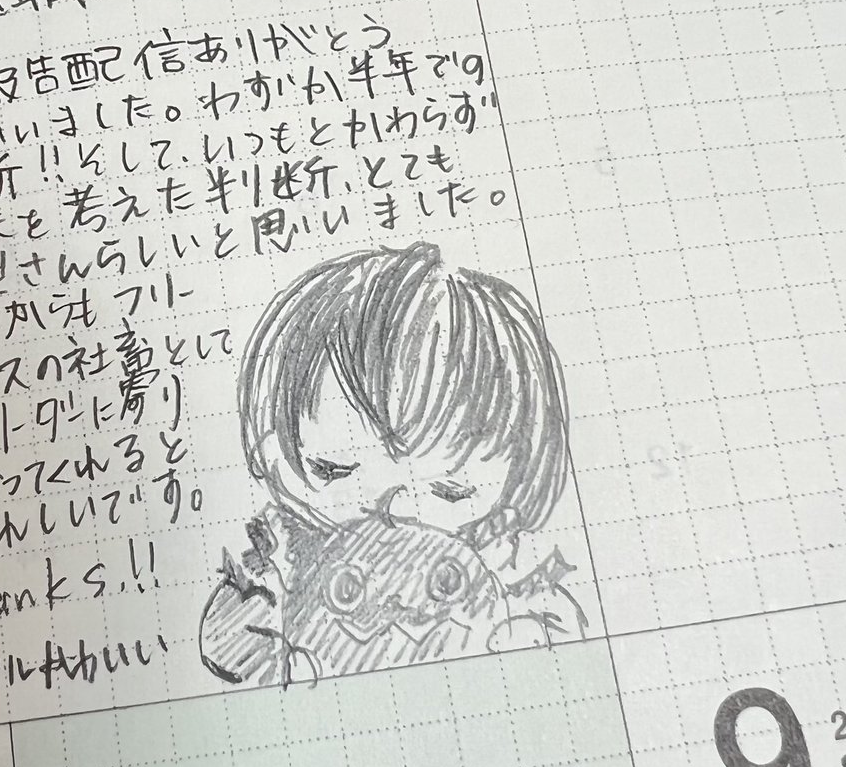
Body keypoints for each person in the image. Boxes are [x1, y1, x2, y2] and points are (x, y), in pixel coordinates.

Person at [198, 241, 586, 686]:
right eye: (331, 469)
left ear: (519, 471)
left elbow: (556, 633)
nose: (390, 509)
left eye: (450, 491)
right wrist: (256, 636)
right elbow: (231, 650)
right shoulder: (286, 550)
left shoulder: (502, 553)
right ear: (273, 450)